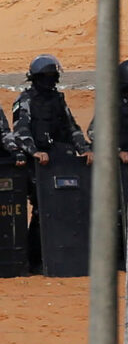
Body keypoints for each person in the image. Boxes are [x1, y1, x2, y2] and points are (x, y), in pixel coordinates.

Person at [10, 54, 92, 272]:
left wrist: (84, 149)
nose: (51, 80)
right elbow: (20, 131)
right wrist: (34, 151)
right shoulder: (25, 100)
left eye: (53, 76)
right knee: (41, 209)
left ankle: (67, 255)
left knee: (70, 206)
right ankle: (36, 258)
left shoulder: (58, 100)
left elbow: (71, 127)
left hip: (60, 159)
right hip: (38, 163)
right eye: (46, 76)